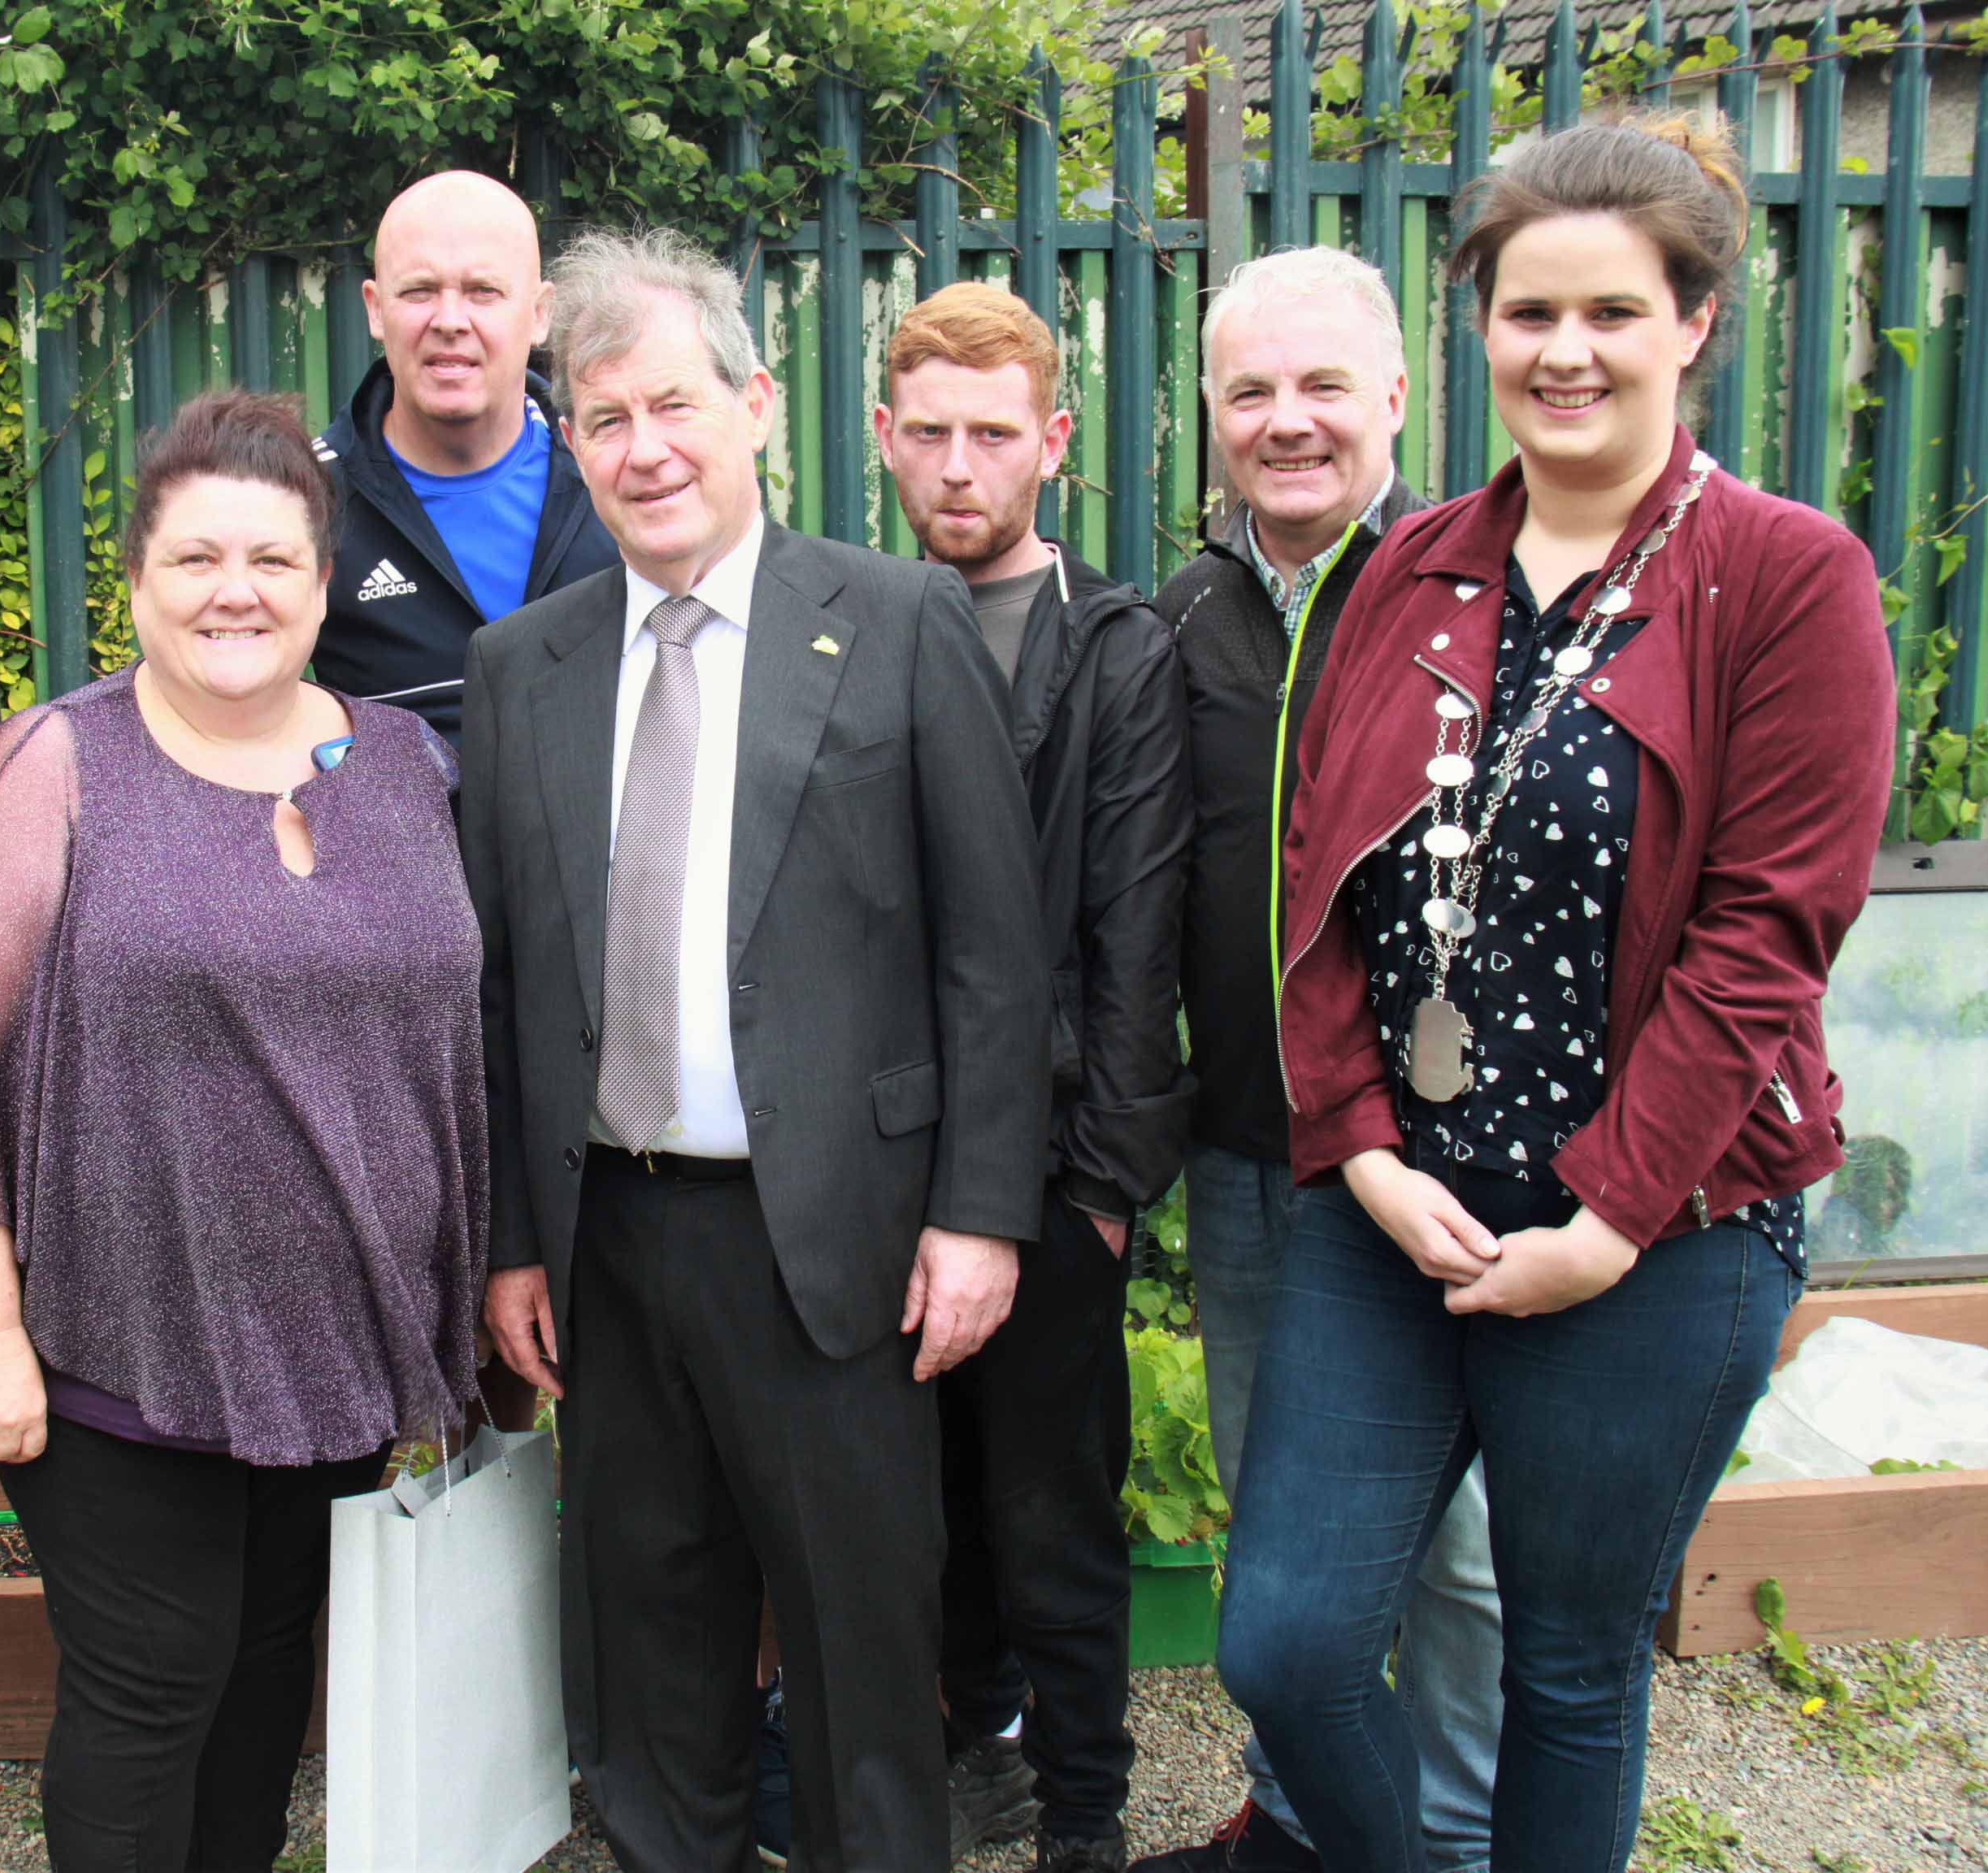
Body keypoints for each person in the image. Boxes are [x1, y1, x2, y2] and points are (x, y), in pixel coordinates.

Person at [1218, 112, 1894, 1873]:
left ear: (1691, 322)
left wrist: (1604, 1217)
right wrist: (1359, 1146)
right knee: (1283, 1648)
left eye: (1611, 312)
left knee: (1571, 1675)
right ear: (1480, 332)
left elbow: (1769, 932)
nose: (1566, 352)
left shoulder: (1787, 580)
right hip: (1400, 1210)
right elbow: (1313, 888)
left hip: (1658, 1238)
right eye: (1530, 314)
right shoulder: (1403, 572)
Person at [462, 227, 1051, 1872]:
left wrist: (982, 1212)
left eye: (672, 405)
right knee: (651, 1642)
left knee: (865, 1644)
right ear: (567, 441)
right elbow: (505, 977)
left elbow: (994, 954)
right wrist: (514, 1236)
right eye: (602, 418)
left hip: (839, 1242)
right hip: (614, 1244)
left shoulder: (897, 619)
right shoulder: (525, 670)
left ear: (757, 406)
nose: (642, 449)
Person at [0, 388, 485, 1873]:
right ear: (139, 581)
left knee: (271, 1667)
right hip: (118, 1337)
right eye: (198, 558)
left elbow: (464, 1038)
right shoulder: (55, 763)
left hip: (341, 1332)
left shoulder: (410, 767)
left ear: (325, 581)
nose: (238, 591)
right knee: (155, 1672)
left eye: (275, 560)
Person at [1135, 248, 1504, 1873]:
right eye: (1251, 392)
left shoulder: (1479, 594)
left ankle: (1467, 1830)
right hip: (1247, 1154)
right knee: (1283, 1536)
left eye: (1323, 385)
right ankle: (1299, 1825)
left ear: (1401, 395)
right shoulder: (1183, 618)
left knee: (1465, 1550)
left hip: (1450, 1164)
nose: (1286, 423)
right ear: (1209, 416)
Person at [872, 280, 1195, 1873]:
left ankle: (1088, 1812)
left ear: (1051, 444)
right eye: (927, 433)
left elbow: (1139, 940)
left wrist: (1105, 1192)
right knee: (924, 1502)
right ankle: (967, 1741)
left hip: (1063, 1167)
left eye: (992, 436)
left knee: (1054, 1508)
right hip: (890, 1165)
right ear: (881, 437)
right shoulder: (850, 629)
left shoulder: (1119, 654)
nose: (958, 468)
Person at [310, 169, 620, 752]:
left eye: (483, 291)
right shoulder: (307, 499)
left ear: (539, 313)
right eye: (420, 290)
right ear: (376, 310)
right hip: (402, 846)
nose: (450, 320)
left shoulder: (615, 474)